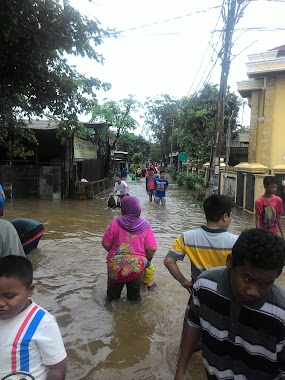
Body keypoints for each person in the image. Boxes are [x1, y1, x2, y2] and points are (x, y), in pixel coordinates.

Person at [174, 228, 285, 380]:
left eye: (265, 283)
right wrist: (180, 372)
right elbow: (194, 324)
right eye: (247, 279)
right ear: (230, 262)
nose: (253, 291)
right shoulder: (204, 286)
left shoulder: (280, 312)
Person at [164, 194, 238, 346]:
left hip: (199, 295)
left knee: (190, 337)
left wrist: (184, 282)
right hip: (227, 298)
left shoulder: (187, 237)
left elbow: (169, 261)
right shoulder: (236, 242)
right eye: (231, 215)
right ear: (225, 216)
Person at [0, 255, 67, 380]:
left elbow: (57, 369)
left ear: (30, 290)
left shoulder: (43, 323)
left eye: (9, 296)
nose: (1, 303)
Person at [102, 196, 157, 302]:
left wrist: (115, 253)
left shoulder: (115, 222)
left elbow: (105, 243)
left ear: (123, 208)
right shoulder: (145, 225)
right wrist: (145, 258)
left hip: (115, 265)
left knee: (112, 299)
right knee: (134, 299)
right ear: (138, 209)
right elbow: (152, 248)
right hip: (136, 266)